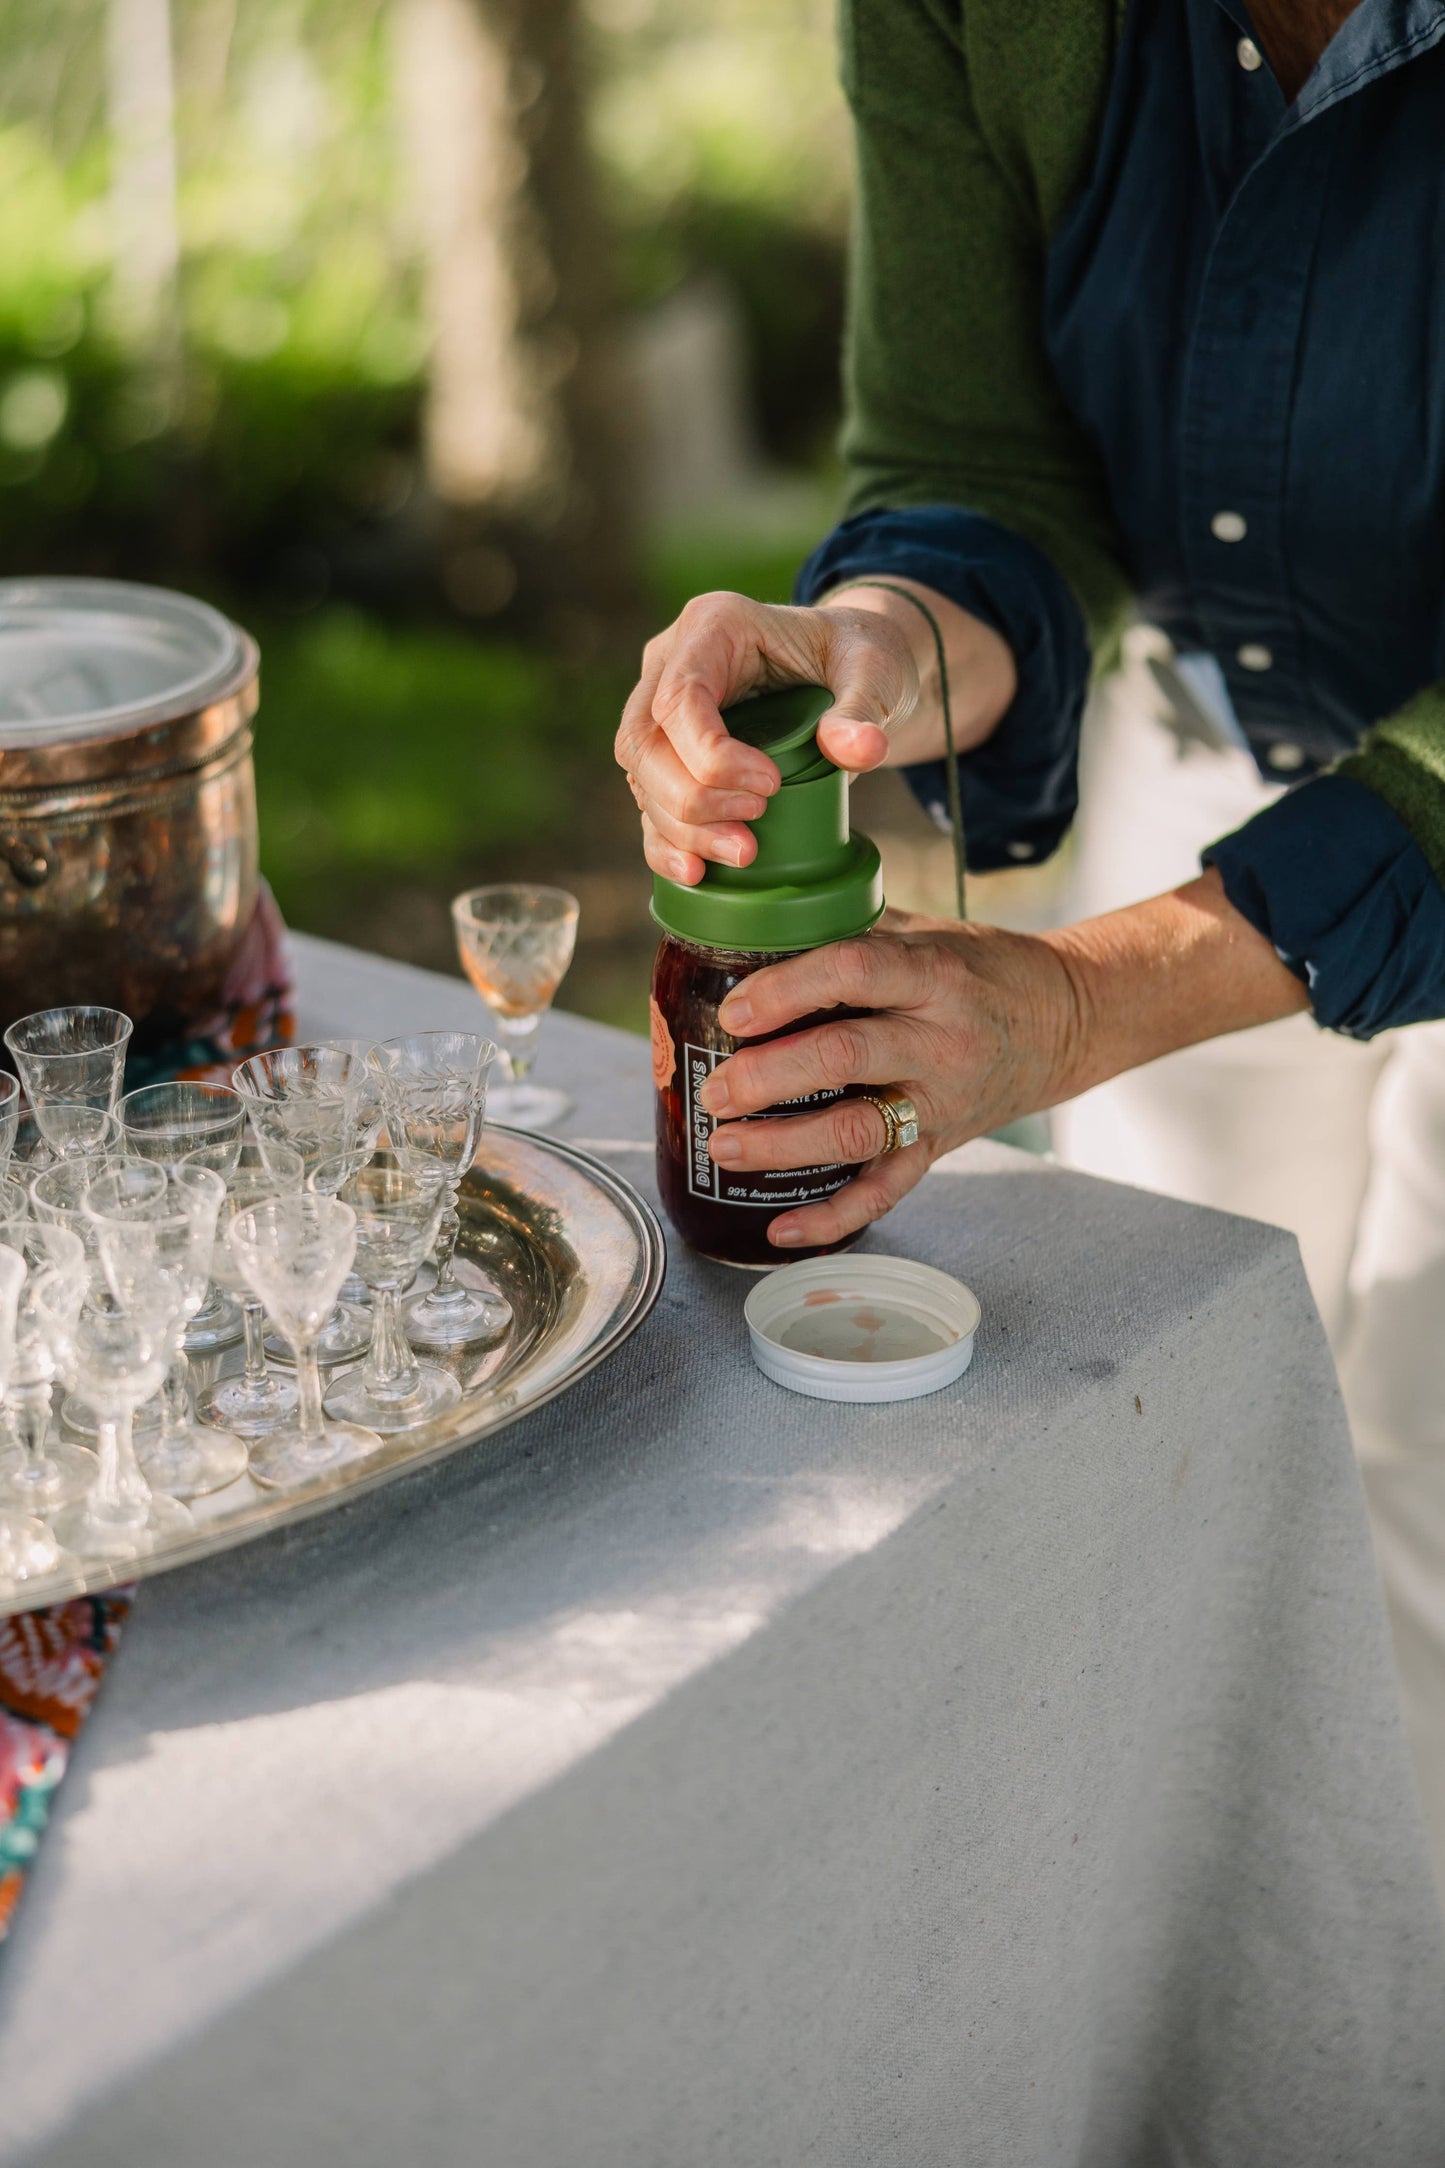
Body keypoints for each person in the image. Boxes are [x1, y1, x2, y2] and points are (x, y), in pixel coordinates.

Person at [614, 0, 1445, 1889]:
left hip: (1346, 836)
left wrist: (1079, 1001)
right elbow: (976, 445)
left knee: (1426, 1486)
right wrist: (882, 645)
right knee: (1195, 1460)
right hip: (1208, 749)